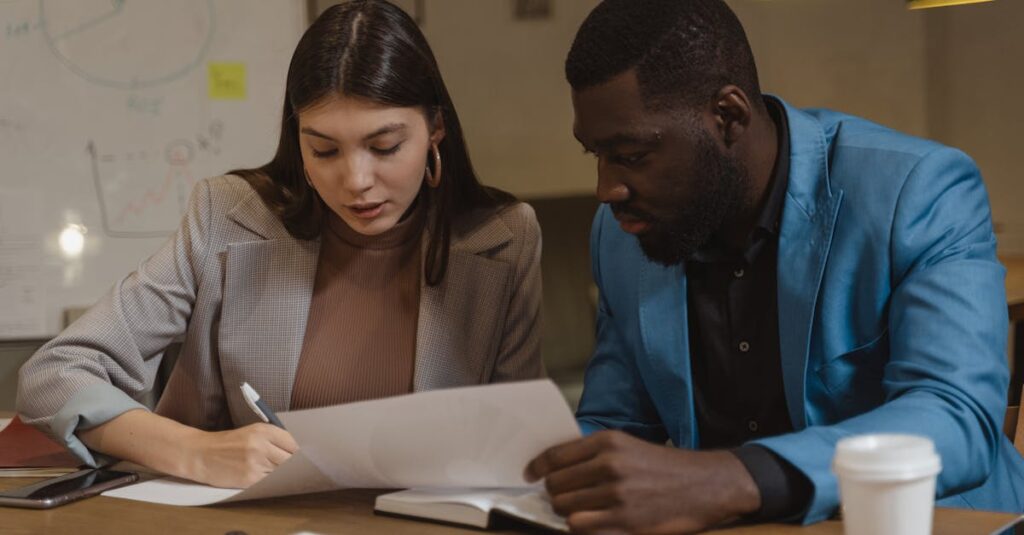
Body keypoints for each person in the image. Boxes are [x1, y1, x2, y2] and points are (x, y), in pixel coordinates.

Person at [524, 0, 1024, 532]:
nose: (607, 189)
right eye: (594, 155)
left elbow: (956, 416)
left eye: (632, 155)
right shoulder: (622, 234)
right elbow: (615, 423)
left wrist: (728, 479)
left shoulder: (919, 189)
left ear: (728, 116)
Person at [17, 0, 542, 490]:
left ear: (436, 129)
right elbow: (54, 373)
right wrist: (195, 450)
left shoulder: (504, 239)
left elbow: (519, 445)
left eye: (385, 146)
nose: (356, 180)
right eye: (325, 150)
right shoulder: (229, 217)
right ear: (298, 142)